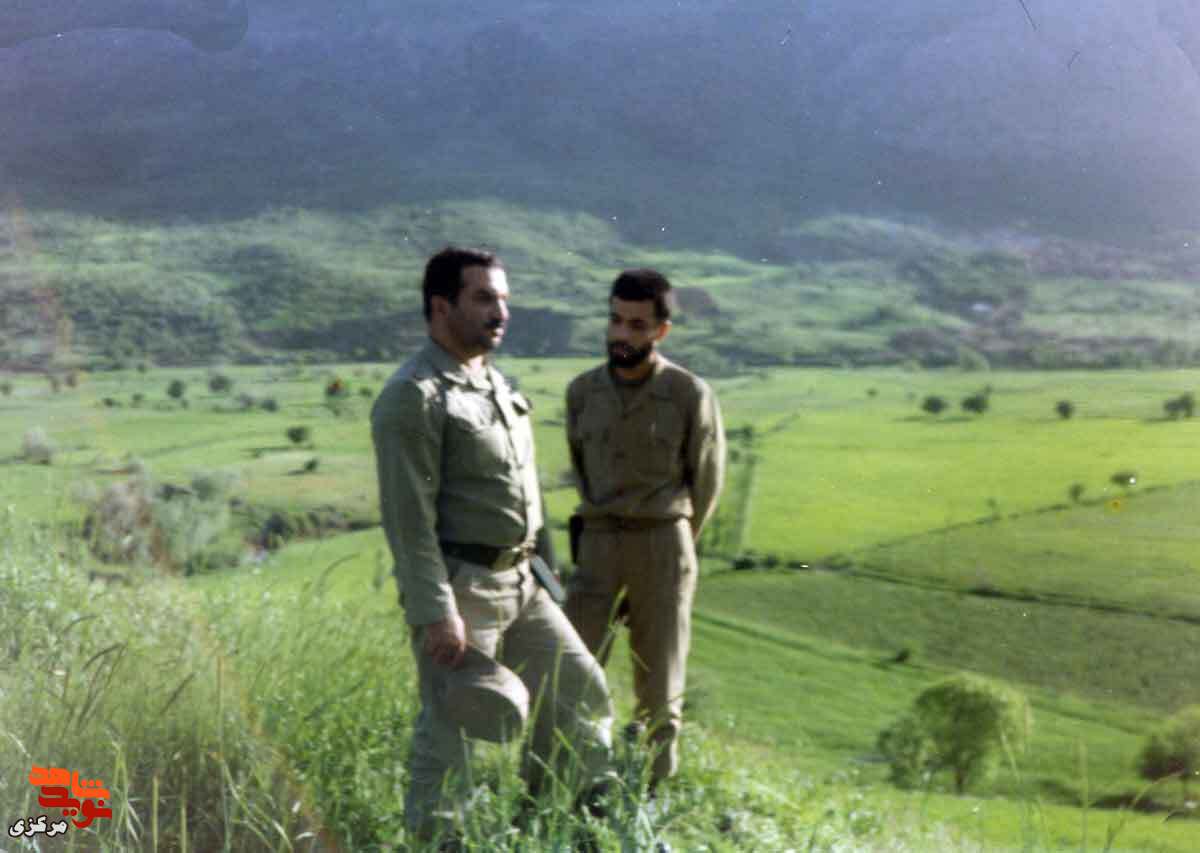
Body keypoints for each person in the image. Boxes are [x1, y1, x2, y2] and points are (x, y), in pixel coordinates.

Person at [370, 246, 613, 842]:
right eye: (483, 298)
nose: (500, 312)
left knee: (579, 693)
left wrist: (548, 576)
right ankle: (438, 842)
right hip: (464, 589)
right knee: (451, 734)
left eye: (503, 298)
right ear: (441, 306)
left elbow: (526, 497)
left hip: (524, 584)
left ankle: (550, 826)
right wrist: (436, 611)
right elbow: (408, 520)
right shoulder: (414, 395)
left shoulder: (495, 384)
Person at [563, 268, 726, 786]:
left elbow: (706, 482)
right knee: (572, 674)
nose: (621, 334)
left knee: (659, 692)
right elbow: (582, 470)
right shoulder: (581, 392)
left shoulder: (688, 394)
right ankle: (570, 784)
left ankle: (650, 797)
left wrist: (674, 553)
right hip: (597, 545)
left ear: (661, 330)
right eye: (615, 320)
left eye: (637, 325)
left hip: (662, 543)